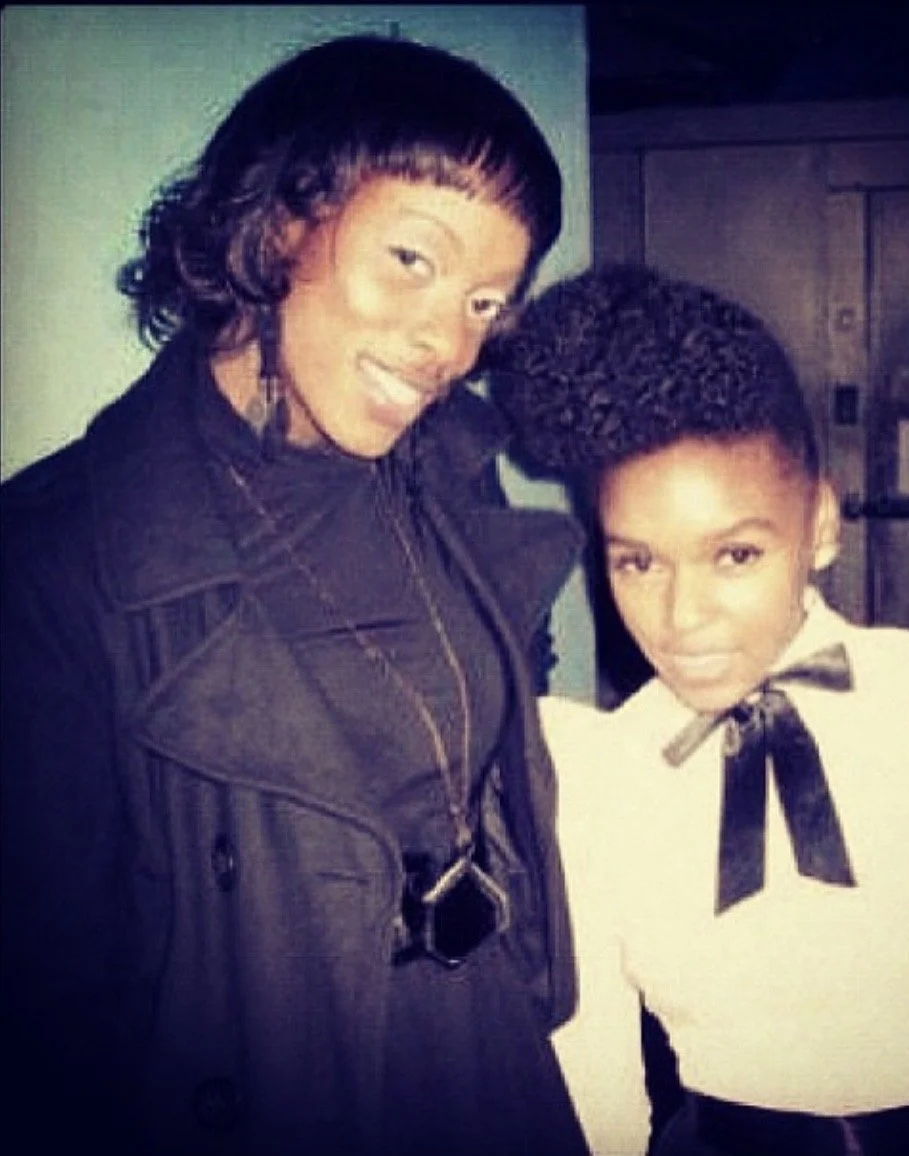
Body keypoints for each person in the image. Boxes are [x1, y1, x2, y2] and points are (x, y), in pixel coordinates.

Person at [0, 35, 591, 1156]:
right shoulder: (50, 560)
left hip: (484, 1059)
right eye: (412, 259)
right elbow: (51, 1016)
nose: (446, 343)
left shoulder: (455, 473)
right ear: (279, 225)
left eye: (483, 302)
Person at [485, 264, 909, 1156]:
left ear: (819, 524)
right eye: (639, 562)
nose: (682, 616)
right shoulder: (597, 771)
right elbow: (600, 1084)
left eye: (735, 555)